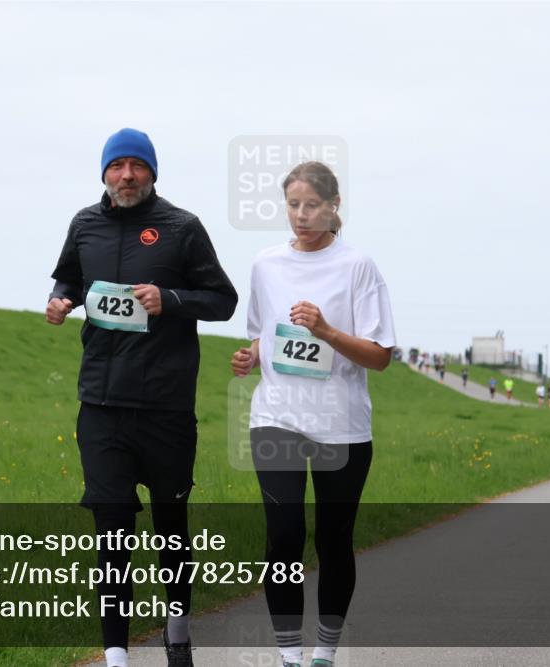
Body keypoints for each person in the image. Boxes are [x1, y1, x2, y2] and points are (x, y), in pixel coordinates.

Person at [47, 128, 238, 667]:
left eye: (137, 166)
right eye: (117, 166)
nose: (126, 175)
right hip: (101, 405)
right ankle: (116, 657)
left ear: (152, 172)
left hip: (165, 407)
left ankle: (178, 636)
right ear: (104, 173)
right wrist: (60, 301)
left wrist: (169, 298)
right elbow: (68, 279)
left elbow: (222, 300)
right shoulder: (84, 224)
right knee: (111, 530)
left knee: (170, 526)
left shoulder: (182, 227)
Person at [231, 161, 395, 667]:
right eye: (293, 205)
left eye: (313, 205)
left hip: (340, 424)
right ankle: (288, 656)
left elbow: (380, 357)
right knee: (283, 536)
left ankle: (324, 652)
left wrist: (325, 330)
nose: (301, 215)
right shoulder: (265, 264)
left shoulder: (358, 267)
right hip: (276, 417)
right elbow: (264, 335)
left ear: (334, 206)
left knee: (332, 539)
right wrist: (250, 356)